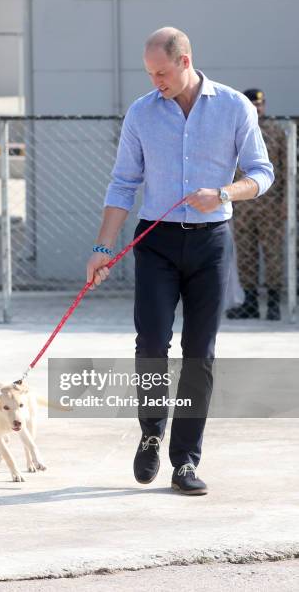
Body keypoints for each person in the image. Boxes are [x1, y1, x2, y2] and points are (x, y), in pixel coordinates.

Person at [86, 28, 273, 495]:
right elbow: (123, 184)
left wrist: (224, 193)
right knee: (151, 340)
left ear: (185, 60)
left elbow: (261, 173)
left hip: (212, 243)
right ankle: (152, 431)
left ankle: (185, 461)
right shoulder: (142, 113)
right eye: (150, 74)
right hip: (156, 241)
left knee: (199, 352)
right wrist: (103, 248)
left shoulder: (234, 107)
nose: (156, 83)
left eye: (163, 73)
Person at [226, 88, 287, 320]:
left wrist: (285, 204)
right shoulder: (236, 131)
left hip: (270, 205)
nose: (257, 108)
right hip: (243, 205)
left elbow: (286, 170)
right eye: (253, 104)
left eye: (260, 104)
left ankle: (273, 304)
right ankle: (249, 303)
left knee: (272, 254)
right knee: (246, 254)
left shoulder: (276, 132)